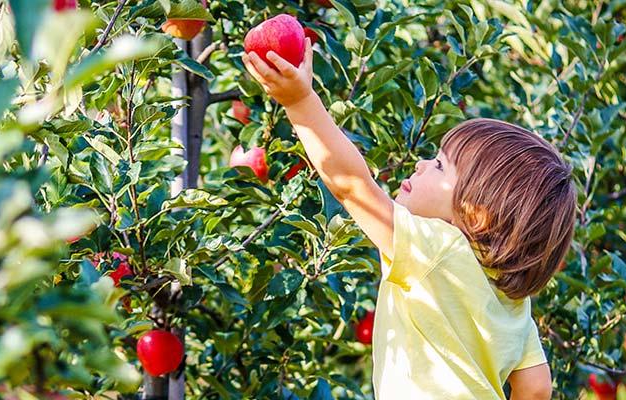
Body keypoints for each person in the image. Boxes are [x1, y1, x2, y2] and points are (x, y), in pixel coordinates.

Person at [242, 39, 578, 399]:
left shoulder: (437, 249)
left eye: (438, 165)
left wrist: (300, 102)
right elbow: (537, 387)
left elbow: (354, 186)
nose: (421, 163)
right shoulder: (512, 297)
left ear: (476, 213)